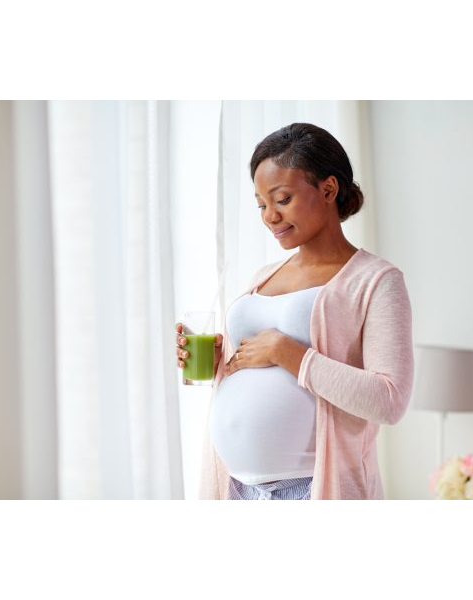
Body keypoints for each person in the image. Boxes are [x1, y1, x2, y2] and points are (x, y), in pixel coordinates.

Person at [176, 122, 414, 500]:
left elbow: (389, 400)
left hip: (311, 488)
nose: (269, 216)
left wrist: (287, 353)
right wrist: (221, 361)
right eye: (261, 204)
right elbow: (253, 367)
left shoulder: (376, 280)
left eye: (281, 199)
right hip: (237, 487)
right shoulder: (263, 277)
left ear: (328, 189)